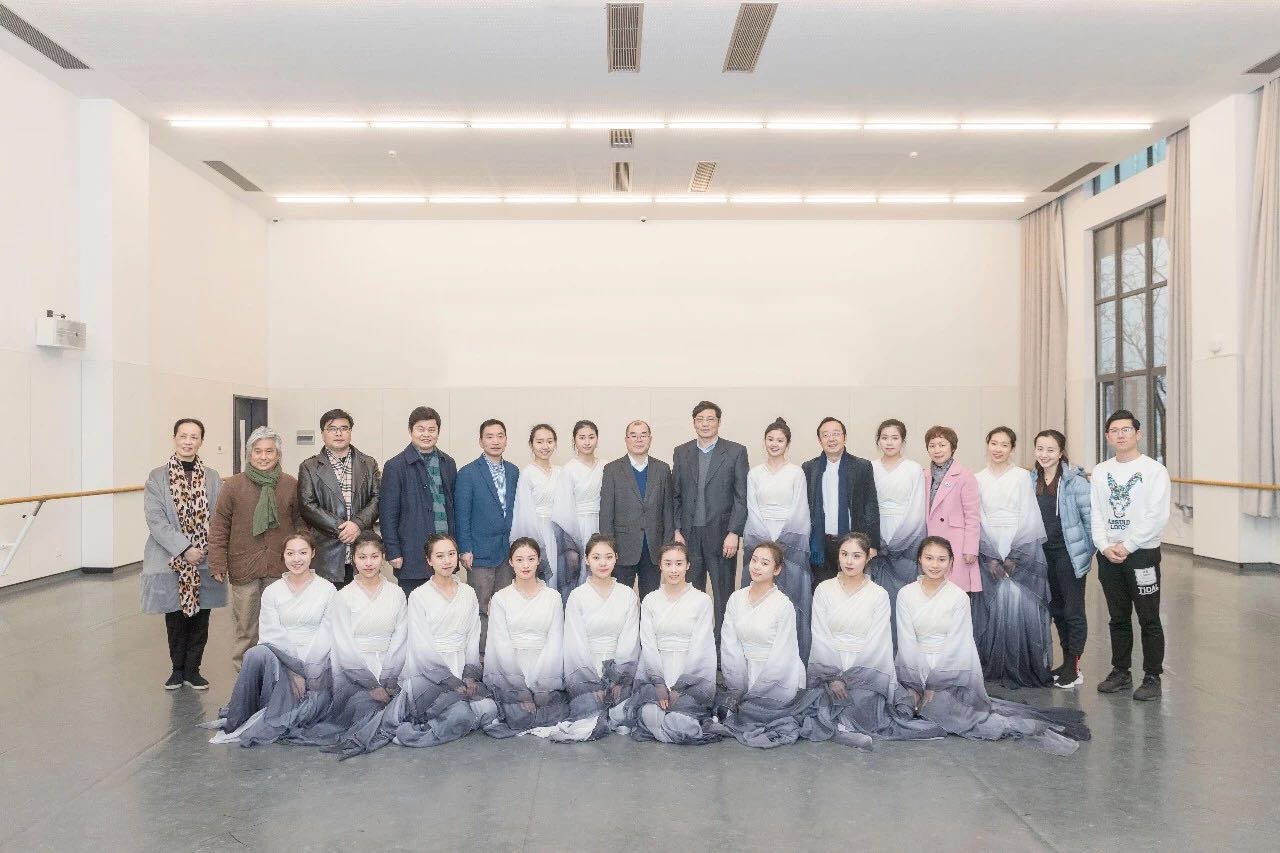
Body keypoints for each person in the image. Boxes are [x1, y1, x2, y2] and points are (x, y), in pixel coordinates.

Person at [895, 536, 1090, 755]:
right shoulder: (906, 594)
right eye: (929, 558)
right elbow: (906, 641)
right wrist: (915, 683)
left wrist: (934, 684)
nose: (934, 565)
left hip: (949, 669)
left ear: (951, 562)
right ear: (919, 559)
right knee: (902, 710)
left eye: (942, 559)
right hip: (913, 667)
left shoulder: (958, 597)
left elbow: (958, 645)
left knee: (941, 712)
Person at [803, 532, 943, 749]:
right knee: (825, 699)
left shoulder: (878, 594)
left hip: (866, 668)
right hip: (830, 664)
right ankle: (840, 730)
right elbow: (821, 635)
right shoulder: (824, 590)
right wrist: (833, 677)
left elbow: (879, 643)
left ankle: (845, 729)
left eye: (856, 556)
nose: (849, 561)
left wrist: (854, 677)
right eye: (844, 554)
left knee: (862, 699)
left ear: (868, 557)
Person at [204, 532, 337, 746]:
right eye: (290, 553)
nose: (296, 559)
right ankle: (240, 716)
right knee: (255, 653)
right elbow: (271, 633)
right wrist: (293, 669)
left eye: (303, 553)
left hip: (317, 660)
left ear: (313, 553)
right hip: (281, 656)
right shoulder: (272, 591)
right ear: (283, 556)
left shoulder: (327, 589)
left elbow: (328, 632)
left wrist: (308, 669)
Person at [380, 533, 498, 749]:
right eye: (440, 556)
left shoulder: (468, 593)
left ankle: (449, 718)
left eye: (451, 554)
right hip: (430, 675)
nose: (447, 561)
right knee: (462, 713)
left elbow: (473, 637)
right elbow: (420, 647)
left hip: (460, 666)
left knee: (490, 709)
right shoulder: (419, 596)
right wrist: (451, 682)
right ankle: (423, 730)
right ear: (429, 560)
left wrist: (469, 677)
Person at [208, 426, 304, 672]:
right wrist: (217, 562)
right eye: (258, 451)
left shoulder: (290, 484)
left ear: (278, 454)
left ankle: (279, 675)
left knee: (280, 626)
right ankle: (246, 677)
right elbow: (220, 525)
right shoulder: (233, 486)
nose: (263, 456)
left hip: (281, 568)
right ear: (249, 454)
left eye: (269, 451)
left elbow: (301, 525)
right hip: (244, 567)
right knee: (246, 629)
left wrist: (302, 560)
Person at [1090, 409, 1171, 702]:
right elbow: (1096, 513)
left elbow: (1157, 516)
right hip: (1109, 555)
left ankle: (1152, 676)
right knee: (1118, 616)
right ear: (1108, 436)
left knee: (1149, 618)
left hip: (1142, 554)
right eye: (1114, 430)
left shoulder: (1154, 471)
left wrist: (1129, 545)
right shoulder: (1101, 471)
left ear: (1138, 434)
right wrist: (1104, 546)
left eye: (1126, 430)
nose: (1120, 435)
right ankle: (1121, 671)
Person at [143, 418, 225, 690]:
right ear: (174, 438)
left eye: (194, 437)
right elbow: (156, 519)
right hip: (171, 558)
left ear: (201, 441)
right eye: (183, 436)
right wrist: (184, 548)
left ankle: (193, 670)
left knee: (201, 616)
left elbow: (219, 517)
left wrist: (205, 551)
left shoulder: (212, 477)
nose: (188, 441)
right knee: (176, 616)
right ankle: (177, 670)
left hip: (205, 556)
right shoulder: (157, 477)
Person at [312, 531, 409, 758]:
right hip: (355, 673)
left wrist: (389, 680)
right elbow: (343, 647)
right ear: (353, 559)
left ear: (383, 558)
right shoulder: (343, 596)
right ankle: (366, 736)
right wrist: (371, 684)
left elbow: (401, 638)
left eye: (374, 556)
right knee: (367, 706)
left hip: (392, 669)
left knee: (408, 703)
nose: (368, 563)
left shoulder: (396, 593)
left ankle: (373, 732)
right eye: (362, 557)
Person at [713, 542, 816, 748]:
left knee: (758, 714)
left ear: (776, 570)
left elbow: (784, 654)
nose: (757, 566)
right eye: (754, 560)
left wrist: (759, 689)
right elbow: (730, 645)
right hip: (743, 671)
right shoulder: (736, 598)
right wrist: (738, 685)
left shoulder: (783, 604)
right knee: (733, 710)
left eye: (765, 563)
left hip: (776, 677)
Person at [973, 427, 1052, 688]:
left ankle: (1021, 664)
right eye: (994, 443)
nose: (998, 449)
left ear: (1012, 449)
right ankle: (994, 664)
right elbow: (977, 518)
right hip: (990, 542)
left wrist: (1015, 555)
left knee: (1018, 600)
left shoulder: (1022, 477)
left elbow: (1029, 515)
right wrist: (990, 555)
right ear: (987, 445)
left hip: (1019, 542)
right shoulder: (977, 478)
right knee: (994, 603)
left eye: (1004, 445)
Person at [623, 542, 721, 745]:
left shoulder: (702, 600)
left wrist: (681, 687)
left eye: (679, 563)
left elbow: (701, 648)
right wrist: (658, 683)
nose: (673, 570)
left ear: (688, 565)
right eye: (668, 563)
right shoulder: (650, 600)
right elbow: (648, 644)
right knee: (649, 713)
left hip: (690, 675)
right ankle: (669, 727)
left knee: (681, 720)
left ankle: (673, 725)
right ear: (660, 565)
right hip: (658, 671)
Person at [550, 534, 641, 743]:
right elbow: (575, 644)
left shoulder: (627, 595)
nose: (603, 563)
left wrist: (618, 680)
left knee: (624, 715)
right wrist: (592, 683)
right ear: (587, 559)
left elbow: (629, 642)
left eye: (608, 557)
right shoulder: (578, 596)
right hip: (586, 670)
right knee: (589, 713)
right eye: (596, 557)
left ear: (616, 558)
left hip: (620, 670)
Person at [672, 401, 749, 645]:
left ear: (718, 422)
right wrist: (676, 529)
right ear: (694, 423)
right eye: (700, 419)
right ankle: (694, 644)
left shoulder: (736, 452)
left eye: (710, 419)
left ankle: (721, 648)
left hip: (722, 536)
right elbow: (675, 495)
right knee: (690, 594)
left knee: (723, 593)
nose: (705, 424)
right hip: (689, 536)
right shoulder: (681, 452)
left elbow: (741, 496)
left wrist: (734, 532)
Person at [482, 538, 570, 738]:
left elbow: (555, 642)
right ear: (511, 562)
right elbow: (500, 645)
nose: (526, 565)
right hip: (510, 670)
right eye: (519, 559)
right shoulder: (501, 598)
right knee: (517, 715)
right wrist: (519, 689)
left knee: (555, 710)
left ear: (539, 560)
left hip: (544, 668)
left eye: (531, 559)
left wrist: (543, 686)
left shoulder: (553, 597)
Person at [742, 418, 812, 659]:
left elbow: (800, 509)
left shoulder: (796, 472)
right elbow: (752, 508)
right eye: (770, 439)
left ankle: (791, 656)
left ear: (787, 443)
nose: (774, 444)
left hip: (790, 540)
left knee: (790, 599)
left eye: (780, 440)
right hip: (760, 536)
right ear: (764, 442)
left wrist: (781, 542)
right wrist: (767, 545)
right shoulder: (754, 473)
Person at [1031, 429, 1093, 689]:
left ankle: (1074, 667)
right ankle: (1067, 662)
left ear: (1060, 453)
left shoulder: (1075, 482)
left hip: (1068, 555)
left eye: (1051, 450)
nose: (1044, 454)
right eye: (1040, 449)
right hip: (1043, 555)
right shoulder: (1031, 480)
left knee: (1073, 611)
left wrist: (1084, 552)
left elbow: (1090, 522)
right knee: (1056, 610)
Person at [298, 408, 381, 589]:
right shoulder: (309, 467)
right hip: (328, 553)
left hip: (363, 549)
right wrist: (342, 528)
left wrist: (357, 524)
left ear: (350, 432)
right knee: (329, 603)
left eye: (344, 428)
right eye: (332, 429)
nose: (338, 433)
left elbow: (377, 498)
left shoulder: (369, 463)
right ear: (323, 434)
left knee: (363, 601)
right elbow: (307, 505)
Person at [455, 419, 519, 651]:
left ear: (506, 440)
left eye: (500, 436)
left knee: (505, 605)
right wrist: (465, 548)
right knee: (480, 606)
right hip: (479, 552)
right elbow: (462, 514)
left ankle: (502, 654)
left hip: (506, 551)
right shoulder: (468, 473)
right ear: (481, 441)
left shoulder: (513, 471)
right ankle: (480, 656)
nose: (495, 441)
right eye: (489, 436)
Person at [381, 406, 457, 597]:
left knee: (444, 605)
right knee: (415, 606)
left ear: (438, 432)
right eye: (420, 429)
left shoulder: (448, 463)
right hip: (411, 552)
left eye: (432, 430)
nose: (426, 434)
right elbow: (388, 514)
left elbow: (452, 508)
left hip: (444, 552)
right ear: (410, 431)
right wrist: (393, 551)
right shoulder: (395, 466)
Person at [803, 416, 880, 593]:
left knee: (853, 591)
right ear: (819, 440)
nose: (831, 439)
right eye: (825, 435)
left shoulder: (861, 466)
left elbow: (871, 505)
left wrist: (873, 543)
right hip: (821, 543)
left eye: (836, 434)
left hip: (853, 542)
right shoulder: (809, 468)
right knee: (822, 591)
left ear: (845, 437)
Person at [599, 420, 674, 599]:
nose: (638, 440)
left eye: (643, 435)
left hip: (654, 548)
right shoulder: (612, 470)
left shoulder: (662, 469)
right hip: (622, 548)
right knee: (620, 600)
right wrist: (609, 549)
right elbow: (606, 513)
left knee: (651, 600)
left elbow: (668, 511)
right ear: (626, 439)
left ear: (650, 439)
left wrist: (667, 547)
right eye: (633, 435)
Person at [867, 419, 926, 644]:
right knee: (876, 598)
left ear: (903, 441)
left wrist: (898, 542)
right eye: (884, 438)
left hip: (906, 538)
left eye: (895, 438)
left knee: (905, 597)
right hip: (876, 536)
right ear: (878, 441)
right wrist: (876, 542)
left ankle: (905, 649)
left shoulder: (913, 469)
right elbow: (865, 507)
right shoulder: (869, 468)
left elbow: (917, 509)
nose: (889, 442)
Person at [510, 423, 568, 598]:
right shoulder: (527, 473)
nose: (545, 446)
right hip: (538, 530)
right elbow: (524, 511)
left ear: (555, 444)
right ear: (531, 444)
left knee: (560, 576)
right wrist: (534, 540)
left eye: (549, 441)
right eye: (540, 442)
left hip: (559, 530)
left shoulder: (561, 472)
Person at [921, 425, 981, 593]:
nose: (937, 450)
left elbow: (972, 516)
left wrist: (971, 548)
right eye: (932, 445)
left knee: (955, 592)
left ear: (952, 447)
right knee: (933, 592)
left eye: (942, 445)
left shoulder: (964, 475)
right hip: (931, 541)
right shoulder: (924, 475)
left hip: (956, 542)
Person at [551, 419, 603, 596]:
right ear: (574, 440)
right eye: (582, 437)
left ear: (597, 439)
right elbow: (563, 507)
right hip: (577, 525)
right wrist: (573, 537)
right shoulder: (568, 469)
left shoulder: (605, 466)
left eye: (591, 437)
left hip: (601, 522)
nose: (587, 442)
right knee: (578, 569)